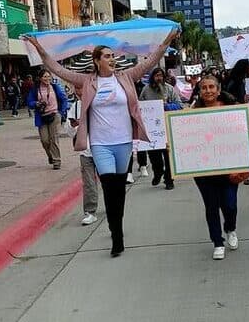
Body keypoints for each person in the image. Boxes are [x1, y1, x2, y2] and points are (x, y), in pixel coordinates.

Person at [24, 29, 177, 257]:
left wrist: (167, 40)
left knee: (119, 190)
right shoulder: (87, 81)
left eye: (112, 55)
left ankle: (117, 227)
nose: (112, 59)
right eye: (107, 56)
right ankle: (116, 236)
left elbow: (151, 60)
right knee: (108, 186)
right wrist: (38, 47)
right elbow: (57, 69)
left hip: (123, 142)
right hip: (100, 144)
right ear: (97, 61)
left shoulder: (125, 76)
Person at [193, 74, 240, 260]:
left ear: (219, 90)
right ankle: (217, 241)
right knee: (211, 205)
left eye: (212, 87)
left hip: (229, 166)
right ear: (199, 91)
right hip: (204, 169)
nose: (208, 91)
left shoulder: (232, 109)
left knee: (229, 203)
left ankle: (230, 228)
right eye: (204, 88)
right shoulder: (191, 112)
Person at [140, 67, 183, 190]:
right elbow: (140, 106)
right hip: (152, 129)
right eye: (156, 75)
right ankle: (158, 172)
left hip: (167, 127)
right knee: (154, 156)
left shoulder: (169, 89)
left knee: (168, 155)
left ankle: (169, 179)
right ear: (152, 77)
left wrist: (166, 106)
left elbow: (179, 105)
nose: (159, 78)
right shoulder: (146, 90)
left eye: (161, 75)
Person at [225, 59, 249, 183]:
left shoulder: (246, 81)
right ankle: (244, 172)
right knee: (245, 145)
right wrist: (241, 100)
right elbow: (229, 99)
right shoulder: (234, 82)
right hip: (238, 118)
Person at [65, 86, 99, 226]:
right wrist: (75, 126)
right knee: (89, 182)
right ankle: (90, 211)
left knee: (109, 181)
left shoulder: (99, 103)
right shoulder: (76, 106)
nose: (79, 92)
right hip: (86, 150)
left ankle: (113, 206)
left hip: (103, 148)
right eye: (77, 90)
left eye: (82, 89)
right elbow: (69, 130)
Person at [27, 69, 69, 170]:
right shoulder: (35, 89)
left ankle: (57, 161)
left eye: (48, 76)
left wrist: (61, 112)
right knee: (45, 140)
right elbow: (29, 102)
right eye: (45, 77)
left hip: (54, 115)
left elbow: (64, 99)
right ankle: (50, 156)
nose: (47, 79)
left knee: (54, 138)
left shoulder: (55, 87)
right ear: (40, 78)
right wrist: (36, 103)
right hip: (42, 117)